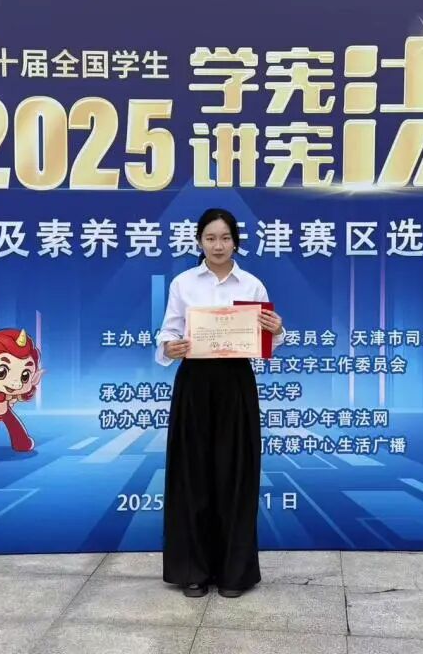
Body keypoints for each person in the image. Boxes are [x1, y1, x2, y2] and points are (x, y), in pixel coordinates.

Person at [155, 207, 285, 598]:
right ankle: (192, 571)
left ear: (235, 242)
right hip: (194, 382)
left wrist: (277, 329)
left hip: (235, 383)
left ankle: (234, 573)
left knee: (236, 474)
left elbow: (267, 343)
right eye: (210, 238)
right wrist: (169, 347)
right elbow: (168, 332)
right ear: (199, 241)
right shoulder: (183, 283)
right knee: (192, 475)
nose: (217, 245)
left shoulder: (252, 285)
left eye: (225, 238)